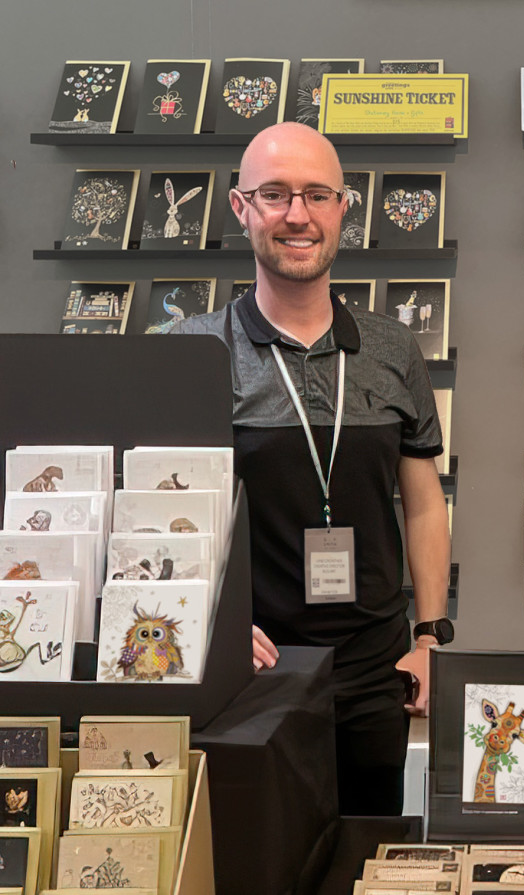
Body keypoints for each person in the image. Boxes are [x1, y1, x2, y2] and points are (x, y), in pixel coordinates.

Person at [173, 122, 453, 815]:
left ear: (342, 209)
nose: (297, 214)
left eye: (316, 195)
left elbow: (423, 503)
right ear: (241, 208)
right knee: (258, 862)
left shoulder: (394, 348)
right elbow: (164, 518)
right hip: (251, 669)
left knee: (369, 856)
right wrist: (210, 621)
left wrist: (429, 637)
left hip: (374, 667)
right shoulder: (193, 350)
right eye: (275, 194)